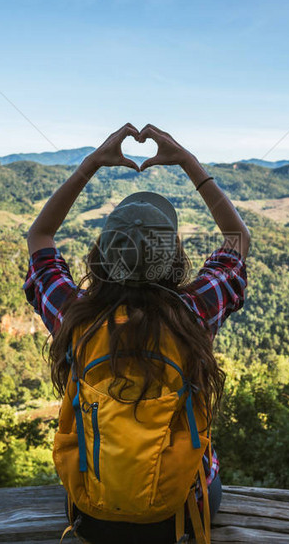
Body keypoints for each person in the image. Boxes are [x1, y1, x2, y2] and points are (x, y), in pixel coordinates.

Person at [23, 123, 250, 543]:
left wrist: (91, 164)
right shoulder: (193, 313)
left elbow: (40, 236)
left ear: (101, 257)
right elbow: (238, 239)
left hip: (92, 509)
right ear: (175, 257)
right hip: (182, 508)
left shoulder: (75, 318)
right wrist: (187, 161)